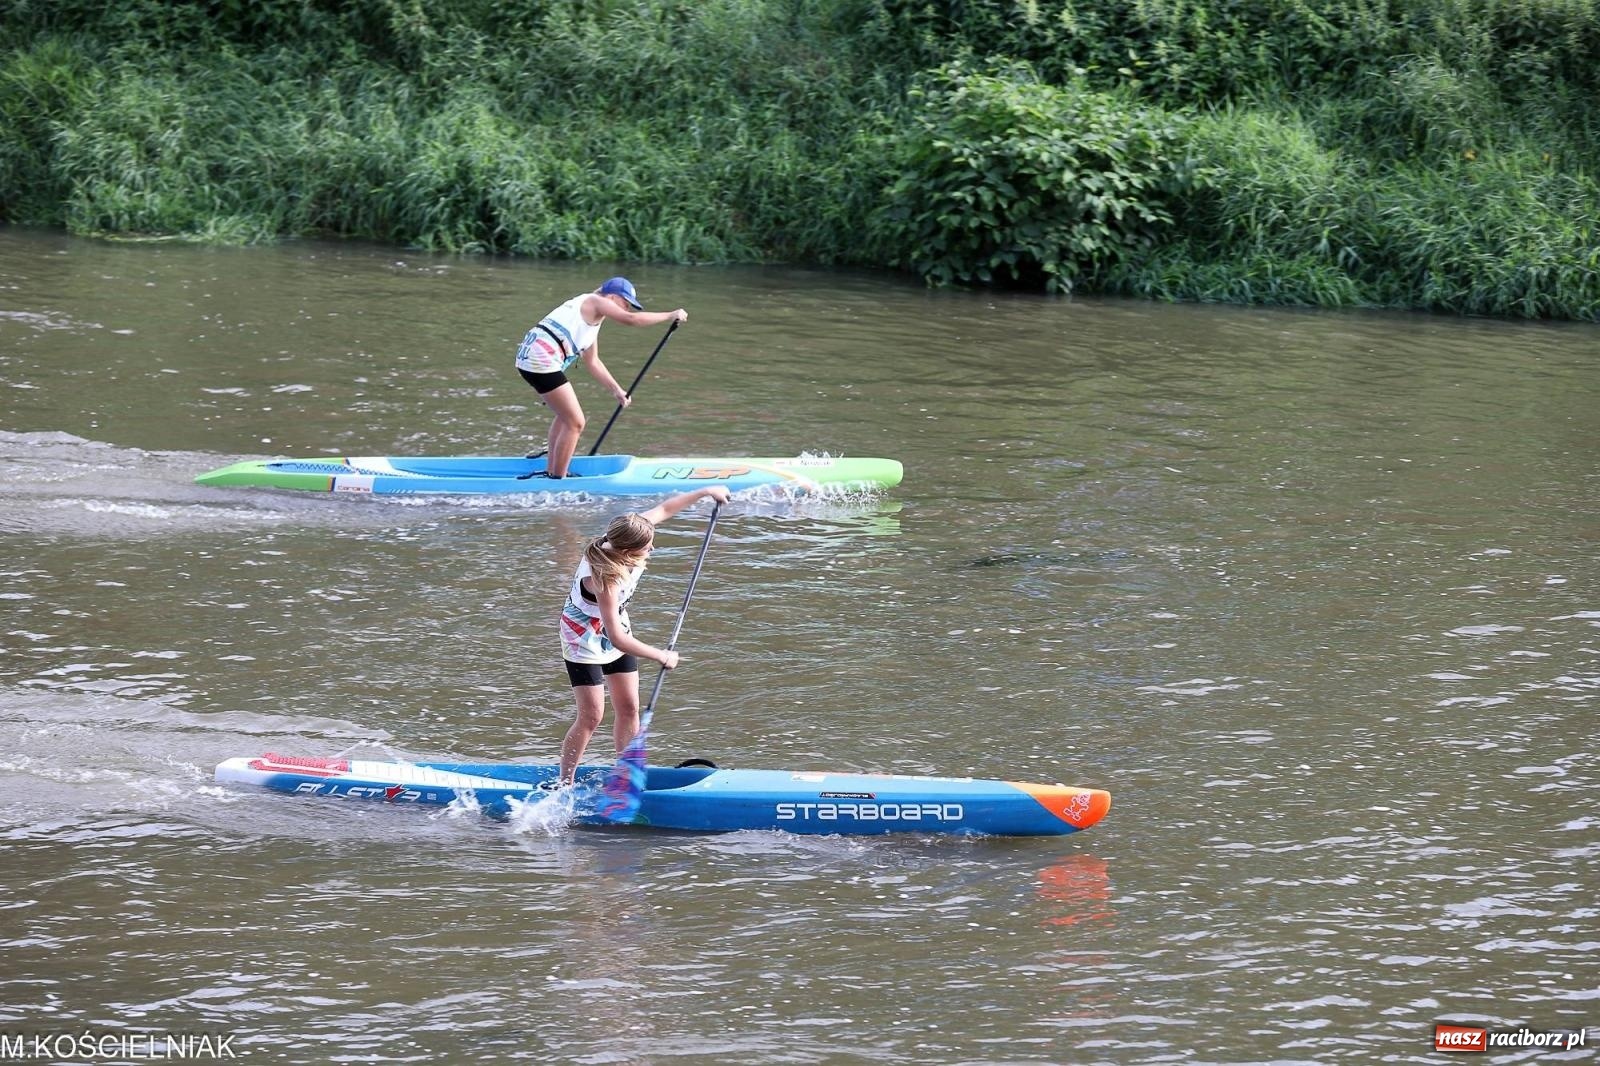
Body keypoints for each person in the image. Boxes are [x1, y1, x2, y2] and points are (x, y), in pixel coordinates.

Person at [556, 485, 730, 786]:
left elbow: (664, 509)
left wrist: (706, 491)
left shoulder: (625, 533)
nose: (651, 550)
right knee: (592, 716)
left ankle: (626, 776)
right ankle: (564, 783)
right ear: (625, 552)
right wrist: (660, 655)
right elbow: (618, 639)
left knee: (629, 708)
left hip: (614, 629)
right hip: (582, 639)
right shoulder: (604, 580)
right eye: (646, 547)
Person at [515, 277, 688, 479]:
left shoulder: (592, 321)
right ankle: (557, 479)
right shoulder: (595, 301)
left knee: (566, 417)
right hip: (539, 361)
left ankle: (553, 471)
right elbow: (630, 320)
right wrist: (670, 315)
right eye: (626, 303)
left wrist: (617, 391)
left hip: (533, 359)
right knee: (576, 422)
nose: (628, 309)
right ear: (613, 297)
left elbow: (593, 362)